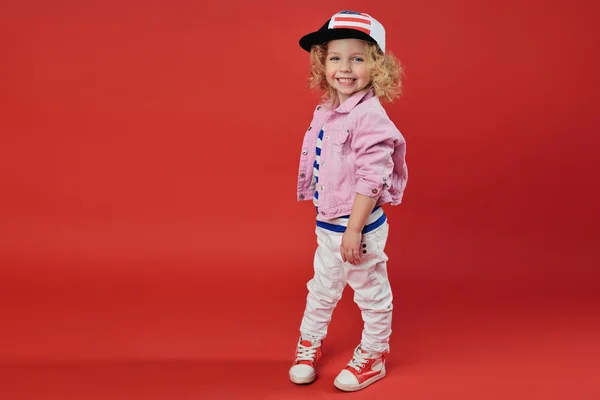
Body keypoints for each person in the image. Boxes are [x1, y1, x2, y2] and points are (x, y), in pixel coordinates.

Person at [289, 10, 409, 392]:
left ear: (377, 66)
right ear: (322, 62)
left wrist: (354, 230)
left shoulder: (370, 117)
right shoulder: (327, 111)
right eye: (336, 57)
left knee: (370, 292)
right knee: (322, 287)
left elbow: (373, 178)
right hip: (328, 225)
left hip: (357, 230)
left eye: (358, 58)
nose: (345, 67)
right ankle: (309, 344)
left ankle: (373, 356)